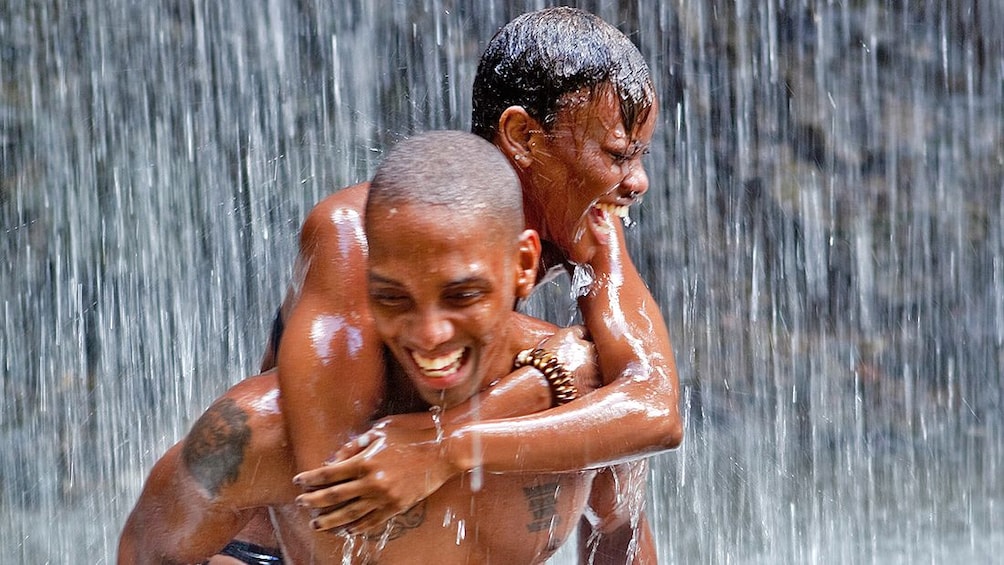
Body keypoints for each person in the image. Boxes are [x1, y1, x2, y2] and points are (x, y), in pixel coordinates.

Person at [118, 131, 654, 564]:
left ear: (523, 265)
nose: (428, 334)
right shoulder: (259, 432)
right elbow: (144, 551)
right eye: (393, 297)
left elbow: (620, 532)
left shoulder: (586, 408)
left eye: (460, 294)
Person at [287, 7, 682, 556]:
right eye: (617, 154)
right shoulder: (356, 240)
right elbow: (337, 490)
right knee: (587, 374)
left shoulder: (588, 226)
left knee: (615, 448)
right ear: (523, 135)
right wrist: (547, 376)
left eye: (639, 156)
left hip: (446, 514)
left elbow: (654, 410)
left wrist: (445, 444)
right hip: (295, 544)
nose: (637, 182)